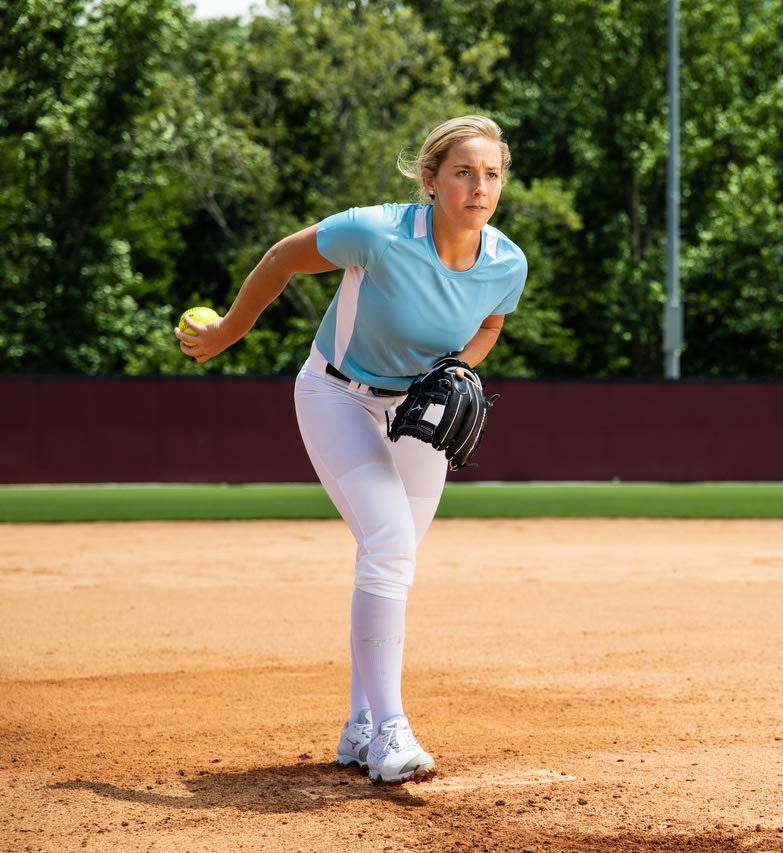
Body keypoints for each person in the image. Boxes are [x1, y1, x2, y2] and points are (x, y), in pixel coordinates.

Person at [176, 115, 527, 784]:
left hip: (416, 407)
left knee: (391, 557)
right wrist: (227, 331)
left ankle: (360, 726)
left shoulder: (507, 261)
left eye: (491, 173)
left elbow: (489, 321)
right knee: (390, 542)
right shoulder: (379, 232)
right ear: (431, 181)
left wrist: (460, 369)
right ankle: (392, 734)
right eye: (463, 171)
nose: (479, 185)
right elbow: (282, 256)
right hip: (338, 395)